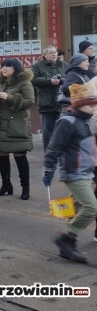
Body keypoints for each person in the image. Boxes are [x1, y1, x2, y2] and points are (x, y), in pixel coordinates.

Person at [43, 82, 97, 263]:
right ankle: (66, 237)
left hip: (86, 172)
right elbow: (54, 148)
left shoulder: (86, 121)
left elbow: (88, 148)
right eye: (91, 106)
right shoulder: (67, 122)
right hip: (74, 173)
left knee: (78, 207)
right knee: (91, 208)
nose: (94, 109)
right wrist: (48, 170)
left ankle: (68, 244)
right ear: (79, 105)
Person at [0, 58, 34, 199]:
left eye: (7, 66)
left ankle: (25, 188)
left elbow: (30, 102)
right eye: (3, 66)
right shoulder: (0, 82)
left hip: (17, 126)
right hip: (0, 126)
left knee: (20, 156)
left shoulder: (24, 82)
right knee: (2, 155)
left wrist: (9, 97)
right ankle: (6, 185)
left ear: (15, 68)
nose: (4, 69)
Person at [31, 46, 66, 152]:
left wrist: (62, 80)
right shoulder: (38, 66)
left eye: (55, 52)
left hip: (63, 104)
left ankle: (61, 155)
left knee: (63, 131)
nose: (54, 54)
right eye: (51, 53)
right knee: (48, 133)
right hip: (47, 104)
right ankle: (49, 156)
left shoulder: (65, 65)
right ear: (44, 55)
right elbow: (33, 80)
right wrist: (49, 81)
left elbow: (72, 78)